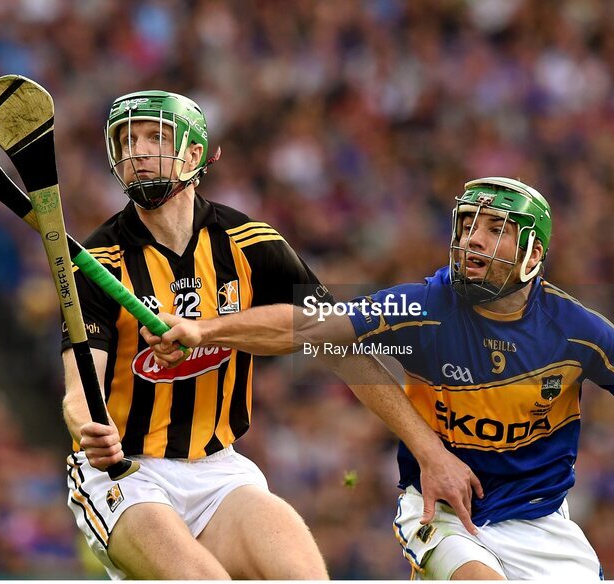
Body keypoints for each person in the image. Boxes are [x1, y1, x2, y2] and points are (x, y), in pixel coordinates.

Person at [143, 176, 614, 580]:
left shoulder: (576, 330)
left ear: (534, 252)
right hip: (447, 516)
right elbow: (308, 327)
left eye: (494, 230)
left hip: (545, 526)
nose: (473, 241)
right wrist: (206, 330)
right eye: (467, 225)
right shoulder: (425, 304)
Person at [61, 91, 481, 579]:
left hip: (219, 471)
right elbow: (79, 389)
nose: (137, 151)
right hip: (126, 475)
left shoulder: (249, 243)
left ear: (194, 155)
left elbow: (340, 344)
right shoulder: (97, 263)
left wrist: (431, 453)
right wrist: (89, 427)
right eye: (126, 140)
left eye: (155, 137)